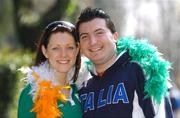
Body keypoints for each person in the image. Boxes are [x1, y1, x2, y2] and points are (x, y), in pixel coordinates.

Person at [76, 7, 174, 118]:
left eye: (99, 33)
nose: (92, 42)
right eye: (84, 37)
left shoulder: (140, 68)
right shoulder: (81, 83)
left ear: (115, 36)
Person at [18, 21, 82, 118]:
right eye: (56, 48)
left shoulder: (84, 90)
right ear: (45, 51)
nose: (63, 54)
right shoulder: (31, 95)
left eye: (69, 47)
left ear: (77, 50)